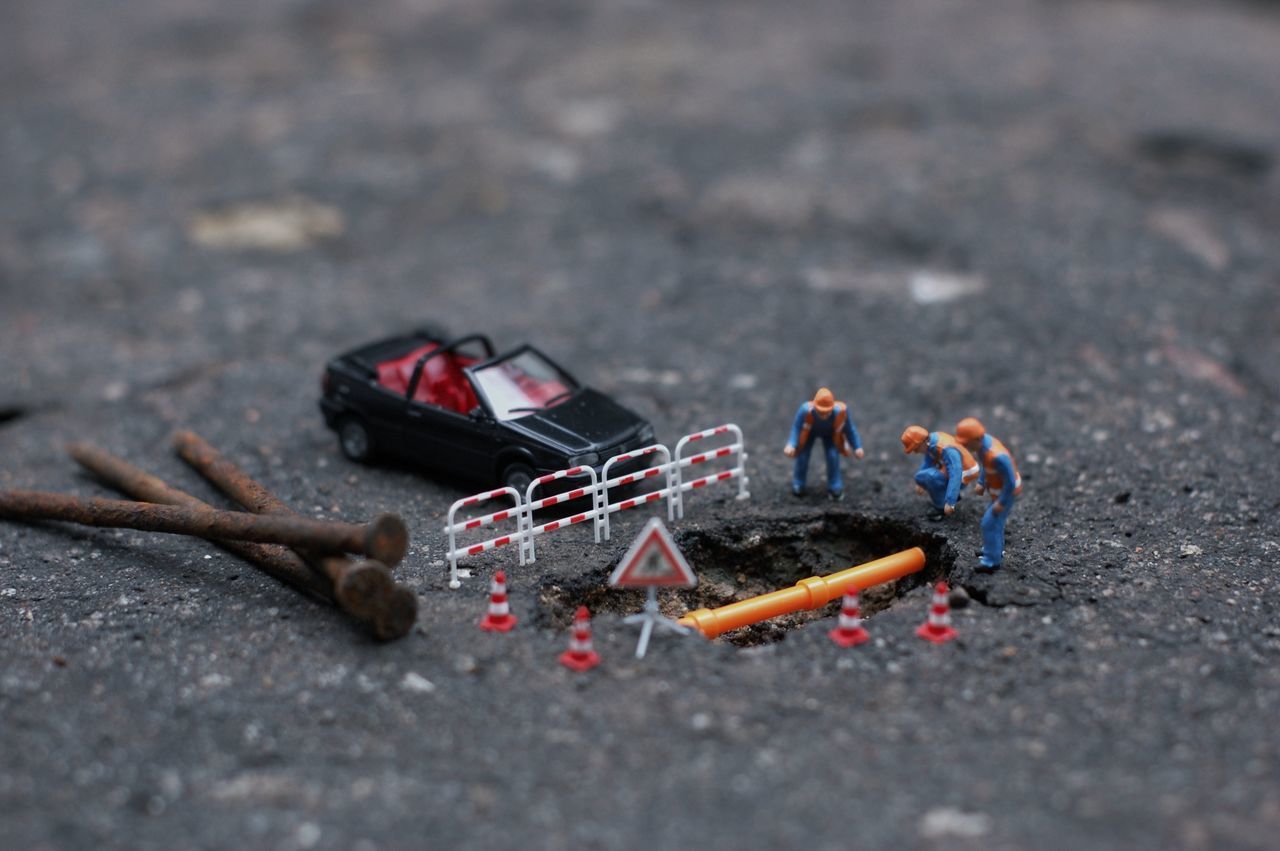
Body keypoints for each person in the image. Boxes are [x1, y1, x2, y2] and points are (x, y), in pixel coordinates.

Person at [956, 417, 1021, 570]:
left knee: (989, 523)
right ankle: (994, 551)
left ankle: (991, 561)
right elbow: (987, 465)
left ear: (977, 439)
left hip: (1005, 493)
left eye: (966, 443)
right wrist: (981, 482)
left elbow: (1010, 482)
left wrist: (1002, 502)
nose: (965, 446)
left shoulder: (997, 455)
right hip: (997, 491)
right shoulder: (984, 446)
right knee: (996, 523)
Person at [783, 388, 863, 500]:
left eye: (827, 412)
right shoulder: (805, 410)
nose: (824, 415)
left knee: (832, 456)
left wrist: (857, 446)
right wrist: (791, 444)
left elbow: (850, 430)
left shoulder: (841, 412)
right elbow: (796, 427)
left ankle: (834, 485)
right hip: (809, 432)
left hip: (830, 435)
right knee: (803, 455)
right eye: (820, 412)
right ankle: (798, 483)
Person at [900, 425, 978, 517]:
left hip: (964, 473)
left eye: (915, 448)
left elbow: (956, 473)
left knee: (931, 477)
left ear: (922, 443)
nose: (915, 452)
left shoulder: (946, 450)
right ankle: (947, 494)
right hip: (949, 468)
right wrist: (920, 484)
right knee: (921, 477)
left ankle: (940, 506)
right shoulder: (931, 442)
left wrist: (950, 501)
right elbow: (928, 460)